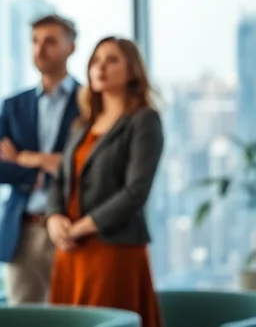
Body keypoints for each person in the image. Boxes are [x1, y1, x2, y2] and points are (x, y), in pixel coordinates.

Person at [46, 37, 164, 327]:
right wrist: (54, 218)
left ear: (132, 70)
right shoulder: (82, 125)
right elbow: (60, 181)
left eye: (112, 60)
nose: (101, 67)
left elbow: (136, 191)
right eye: (96, 60)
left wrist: (82, 227)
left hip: (112, 248)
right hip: (70, 249)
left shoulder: (143, 120)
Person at [0, 14, 80, 304]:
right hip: (22, 230)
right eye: (35, 41)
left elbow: (86, 165)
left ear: (70, 48)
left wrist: (26, 158)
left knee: (74, 317)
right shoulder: (14, 105)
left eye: (50, 41)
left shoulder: (89, 102)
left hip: (71, 227)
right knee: (22, 318)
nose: (40, 49)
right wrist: (37, 171)